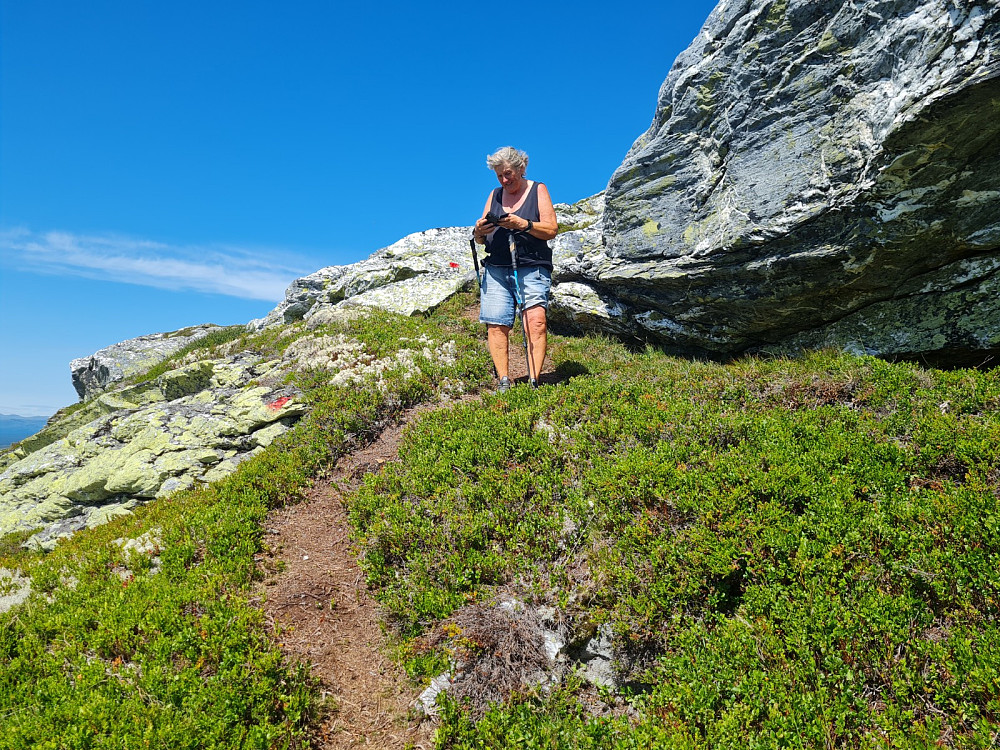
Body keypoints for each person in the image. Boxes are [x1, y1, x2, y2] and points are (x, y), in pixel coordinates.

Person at [473, 146, 558, 391]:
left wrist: (525, 224)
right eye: (499, 175)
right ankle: (503, 380)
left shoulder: (538, 189)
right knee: (496, 323)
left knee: (536, 321)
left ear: (521, 169)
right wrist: (479, 232)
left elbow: (551, 229)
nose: (504, 179)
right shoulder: (495, 194)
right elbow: (480, 238)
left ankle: (534, 379)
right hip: (496, 267)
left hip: (532, 266)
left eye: (508, 173)